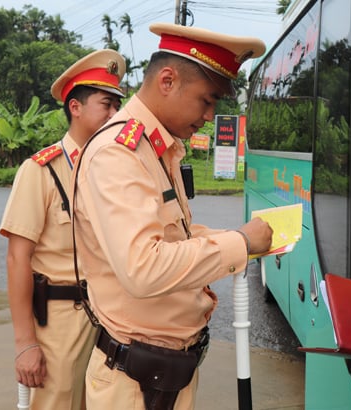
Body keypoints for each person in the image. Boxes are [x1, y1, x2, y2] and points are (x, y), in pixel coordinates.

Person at [71, 24, 273, 410]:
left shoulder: (158, 146)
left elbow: (173, 236)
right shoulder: (119, 153)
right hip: (135, 383)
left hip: (162, 370)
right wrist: (240, 243)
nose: (211, 116)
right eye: (207, 100)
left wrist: (238, 238)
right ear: (167, 80)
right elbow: (143, 267)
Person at [0, 49, 126, 409]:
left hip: (111, 319)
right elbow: (17, 258)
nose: (115, 115)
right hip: (58, 326)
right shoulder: (40, 171)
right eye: (107, 105)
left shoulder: (116, 171)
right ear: (76, 107)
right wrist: (26, 343)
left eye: (118, 106)